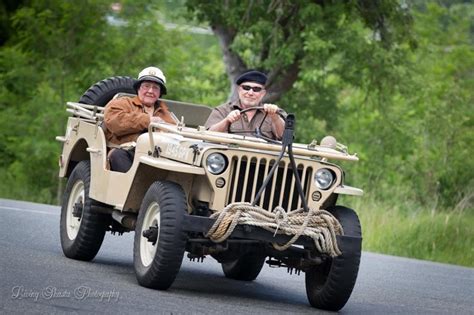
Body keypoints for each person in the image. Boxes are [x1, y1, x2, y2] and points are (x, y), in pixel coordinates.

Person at [104, 66, 177, 172]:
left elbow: (175, 136)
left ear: (160, 93)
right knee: (117, 155)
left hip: (156, 157)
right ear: (138, 88)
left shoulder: (165, 113)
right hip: (127, 153)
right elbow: (115, 122)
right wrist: (148, 120)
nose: (150, 91)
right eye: (146, 86)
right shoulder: (123, 103)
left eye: (155, 88)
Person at [205, 70, 286, 140]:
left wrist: (275, 118)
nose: (250, 93)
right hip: (229, 157)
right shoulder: (223, 110)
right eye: (246, 88)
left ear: (263, 94)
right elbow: (207, 136)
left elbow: (285, 139)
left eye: (256, 89)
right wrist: (227, 121)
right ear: (239, 90)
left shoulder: (274, 112)